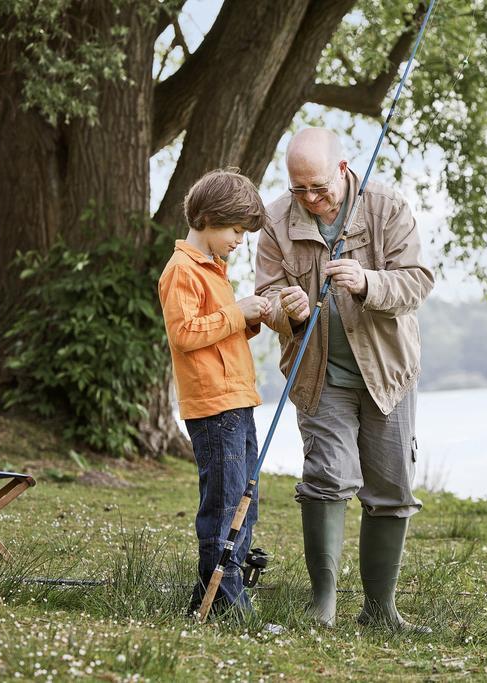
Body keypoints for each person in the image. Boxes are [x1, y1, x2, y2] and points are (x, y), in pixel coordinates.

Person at [255, 128, 434, 632]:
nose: (310, 199)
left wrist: (367, 282)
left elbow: (417, 280)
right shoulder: (275, 221)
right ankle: (323, 604)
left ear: (343, 168)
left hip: (387, 373)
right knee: (328, 478)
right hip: (318, 375)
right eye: (299, 189)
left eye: (318, 187)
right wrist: (283, 308)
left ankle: (381, 611)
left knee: (391, 488)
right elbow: (265, 295)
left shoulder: (387, 207)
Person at [158, 168, 272, 619]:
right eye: (236, 230)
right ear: (207, 218)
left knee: (247, 502)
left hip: (238, 402)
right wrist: (236, 311)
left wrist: (250, 317)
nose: (241, 240)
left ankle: (219, 591)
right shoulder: (181, 271)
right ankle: (223, 603)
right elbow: (185, 334)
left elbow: (219, 333)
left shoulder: (215, 270)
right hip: (213, 407)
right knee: (224, 506)